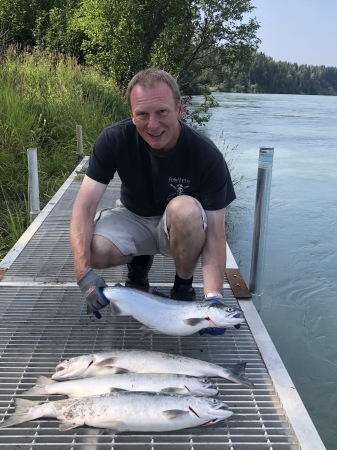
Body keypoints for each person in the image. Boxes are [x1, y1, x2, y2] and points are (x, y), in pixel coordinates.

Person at [69, 68, 236, 320]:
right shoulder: (113, 139)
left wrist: (214, 298)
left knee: (186, 210)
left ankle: (183, 286)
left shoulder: (207, 155)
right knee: (91, 249)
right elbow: (84, 207)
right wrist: (83, 275)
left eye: (162, 112)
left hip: (179, 226)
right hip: (133, 214)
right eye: (142, 114)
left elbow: (215, 232)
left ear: (179, 109)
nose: (153, 124)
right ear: (131, 114)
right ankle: (138, 267)